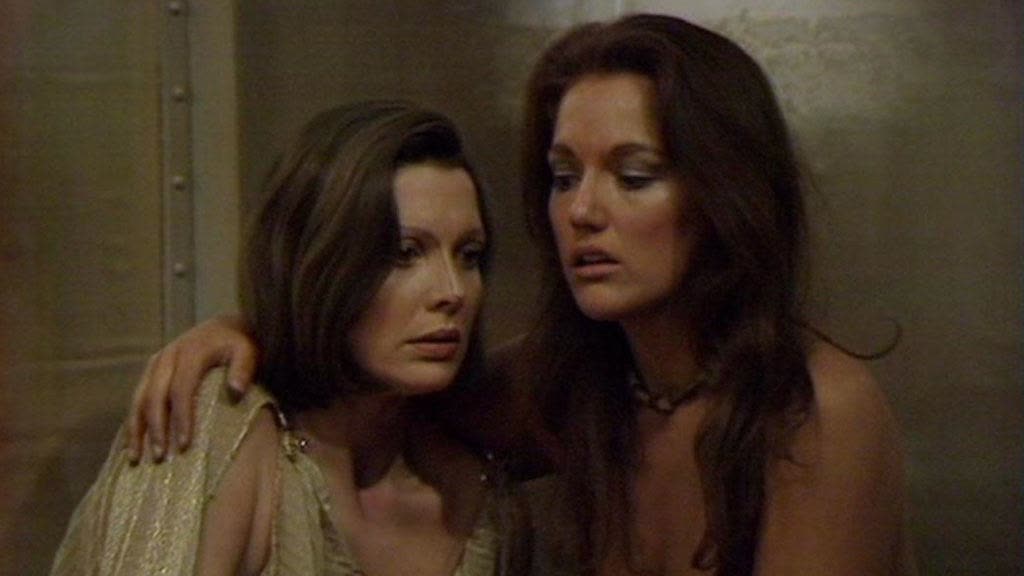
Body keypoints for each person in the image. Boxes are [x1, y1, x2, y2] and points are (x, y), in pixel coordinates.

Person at [123, 14, 916, 576]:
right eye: (564, 176)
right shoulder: (578, 380)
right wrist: (249, 333)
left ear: (723, 196)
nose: (583, 211)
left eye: (634, 175)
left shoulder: (811, 408)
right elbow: (384, 378)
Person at [51, 101, 523, 576]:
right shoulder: (222, 426)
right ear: (321, 264)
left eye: (469, 255)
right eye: (404, 253)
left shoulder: (479, 494)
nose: (452, 291)